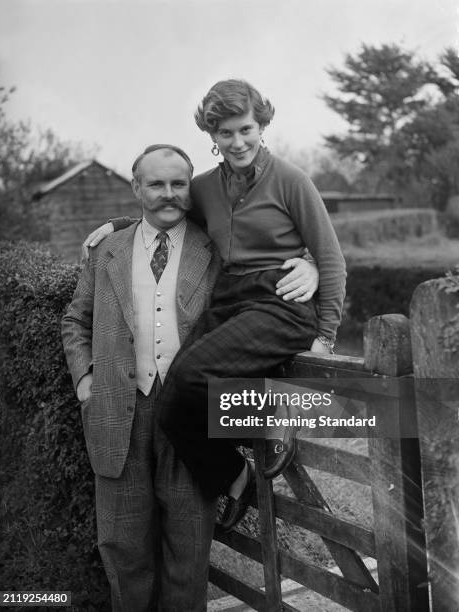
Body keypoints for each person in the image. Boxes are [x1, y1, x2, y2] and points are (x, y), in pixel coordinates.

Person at [62, 143, 318, 611]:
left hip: (190, 415)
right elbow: (76, 321)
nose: (168, 194)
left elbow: (265, 264)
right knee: (123, 549)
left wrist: (310, 263)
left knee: (189, 548)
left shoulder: (216, 245)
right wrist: (85, 380)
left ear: (191, 186)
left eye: (179, 183)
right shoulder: (106, 250)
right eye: (155, 184)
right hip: (117, 414)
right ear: (135, 187)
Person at [84, 78, 345, 531]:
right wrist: (119, 223)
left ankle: (273, 412)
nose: (237, 142)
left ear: (261, 125)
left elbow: (331, 258)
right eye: (225, 133)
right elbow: (167, 209)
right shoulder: (205, 187)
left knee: (188, 375)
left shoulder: (291, 181)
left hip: (279, 302)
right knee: (172, 408)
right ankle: (236, 477)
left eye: (245, 129)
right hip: (229, 300)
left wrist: (325, 336)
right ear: (212, 136)